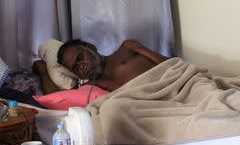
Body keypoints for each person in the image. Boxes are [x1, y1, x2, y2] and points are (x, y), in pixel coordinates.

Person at [33, 39, 168, 95]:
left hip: (171, 87)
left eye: (80, 58)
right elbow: (57, 99)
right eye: (75, 68)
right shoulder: (91, 87)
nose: (82, 66)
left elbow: (171, 64)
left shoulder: (127, 48)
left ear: (91, 48)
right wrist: (44, 72)